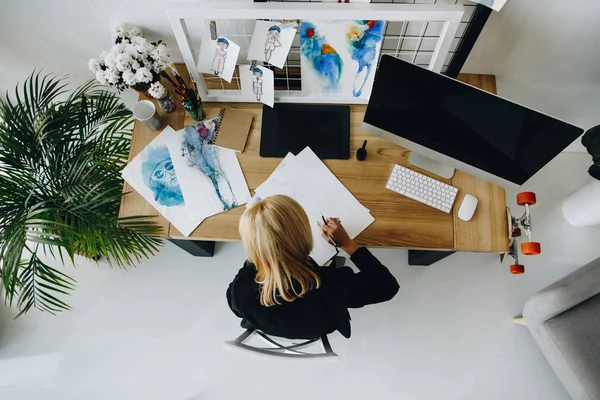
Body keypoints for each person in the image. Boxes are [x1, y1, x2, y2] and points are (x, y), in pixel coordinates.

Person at [227, 195, 399, 339]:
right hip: (318, 323)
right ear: (304, 236)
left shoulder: (240, 291)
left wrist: (259, 236)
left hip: (281, 326)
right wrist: (348, 244)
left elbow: (248, 269)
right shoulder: (331, 285)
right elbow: (387, 286)